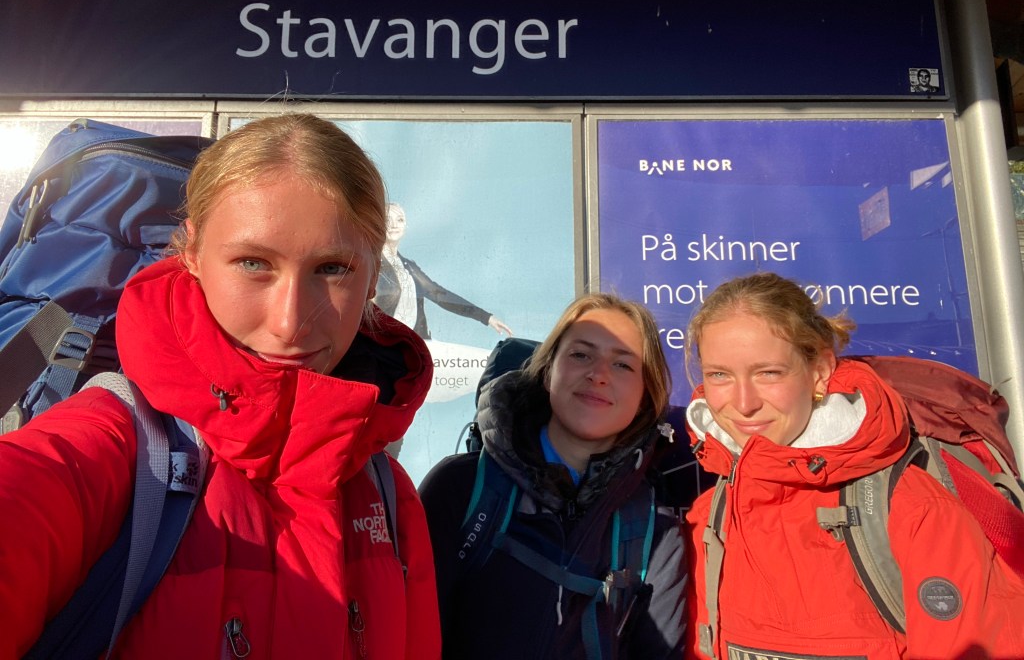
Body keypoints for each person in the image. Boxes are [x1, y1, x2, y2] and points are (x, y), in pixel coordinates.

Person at [0, 114, 441, 658]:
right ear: (191, 254)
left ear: (373, 276)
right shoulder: (113, 445)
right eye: (253, 263)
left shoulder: (388, 495)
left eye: (332, 269)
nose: (289, 323)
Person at [682, 271, 1024, 660]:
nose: (744, 404)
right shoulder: (710, 516)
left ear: (819, 372)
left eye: (768, 373)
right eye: (720, 375)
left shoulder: (912, 508)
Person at [419, 294, 687, 660]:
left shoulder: (655, 530)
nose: (599, 375)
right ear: (547, 372)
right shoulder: (460, 488)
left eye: (623, 364)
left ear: (645, 395)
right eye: (581, 355)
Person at [374, 202, 513, 340]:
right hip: (383, 343)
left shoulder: (409, 267)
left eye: (399, 220)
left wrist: (486, 317)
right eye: (387, 220)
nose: (394, 225)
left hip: (413, 343)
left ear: (405, 225)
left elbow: (440, 295)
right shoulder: (372, 265)